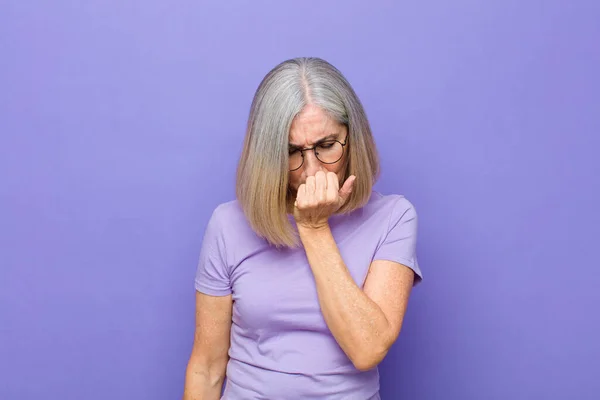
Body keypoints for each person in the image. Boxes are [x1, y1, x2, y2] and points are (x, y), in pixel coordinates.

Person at [183, 57, 423, 400]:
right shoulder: (228, 224)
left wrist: (313, 227)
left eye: (326, 146)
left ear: (353, 139)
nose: (311, 171)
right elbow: (206, 368)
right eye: (292, 152)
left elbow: (367, 349)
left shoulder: (394, 218)